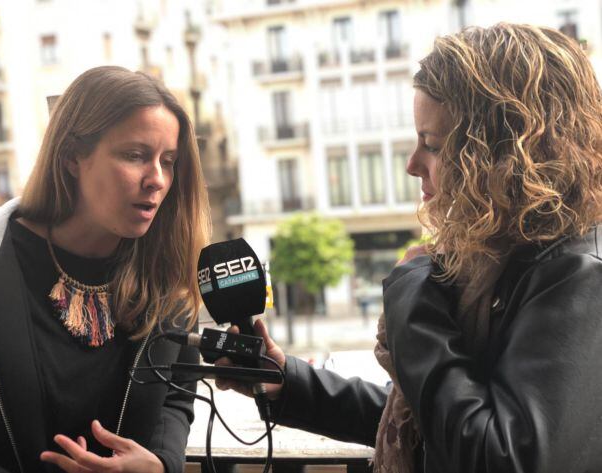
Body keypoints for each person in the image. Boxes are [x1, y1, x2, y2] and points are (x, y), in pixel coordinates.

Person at [216, 23, 602, 472]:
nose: (411, 165)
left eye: (433, 145)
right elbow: (427, 417)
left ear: (505, 154)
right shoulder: (495, 260)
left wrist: (413, 303)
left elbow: (500, 456)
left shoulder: (578, 274)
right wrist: (284, 380)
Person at [0, 66, 210, 473]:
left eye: (168, 161)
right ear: (71, 158)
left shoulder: (167, 278)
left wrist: (160, 465)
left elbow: (175, 398)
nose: (156, 179)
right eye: (134, 156)